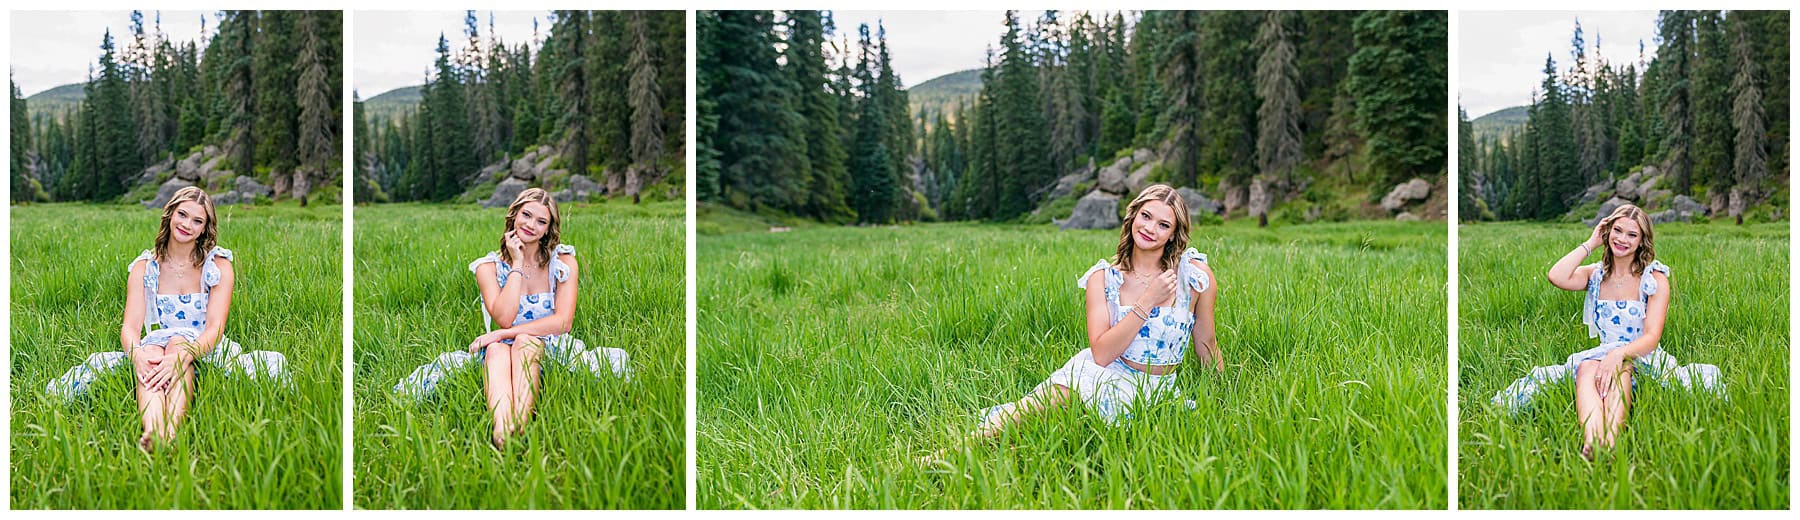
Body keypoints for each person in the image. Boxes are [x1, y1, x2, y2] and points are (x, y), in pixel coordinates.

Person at [122, 187, 236, 452]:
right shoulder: (144, 267)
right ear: (170, 214)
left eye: (197, 220)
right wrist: (136, 354)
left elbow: (216, 327)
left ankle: (171, 433)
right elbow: (130, 327)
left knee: (178, 347)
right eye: (182, 215)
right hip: (157, 343)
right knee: (151, 353)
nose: (187, 225)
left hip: (200, 343)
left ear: (206, 228)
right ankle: (152, 431)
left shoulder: (217, 265)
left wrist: (186, 354)